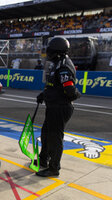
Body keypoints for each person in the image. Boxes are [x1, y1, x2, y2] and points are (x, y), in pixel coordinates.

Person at [35, 37, 81, 177]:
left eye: (50, 50)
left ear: (57, 51)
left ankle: (54, 168)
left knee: (55, 138)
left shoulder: (63, 67)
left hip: (60, 107)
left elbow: (70, 91)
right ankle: (43, 160)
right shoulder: (56, 63)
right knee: (46, 134)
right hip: (53, 105)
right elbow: (54, 85)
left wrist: (74, 94)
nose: (48, 53)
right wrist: (44, 94)